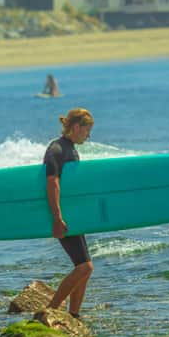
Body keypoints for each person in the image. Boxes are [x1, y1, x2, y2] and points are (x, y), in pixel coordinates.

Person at [44, 108, 95, 320]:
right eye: (87, 130)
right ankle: (51, 310)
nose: (88, 135)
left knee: (84, 267)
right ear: (76, 127)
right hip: (61, 216)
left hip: (71, 216)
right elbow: (52, 182)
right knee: (85, 267)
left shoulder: (70, 148)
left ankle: (73, 314)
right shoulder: (57, 149)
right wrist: (57, 218)